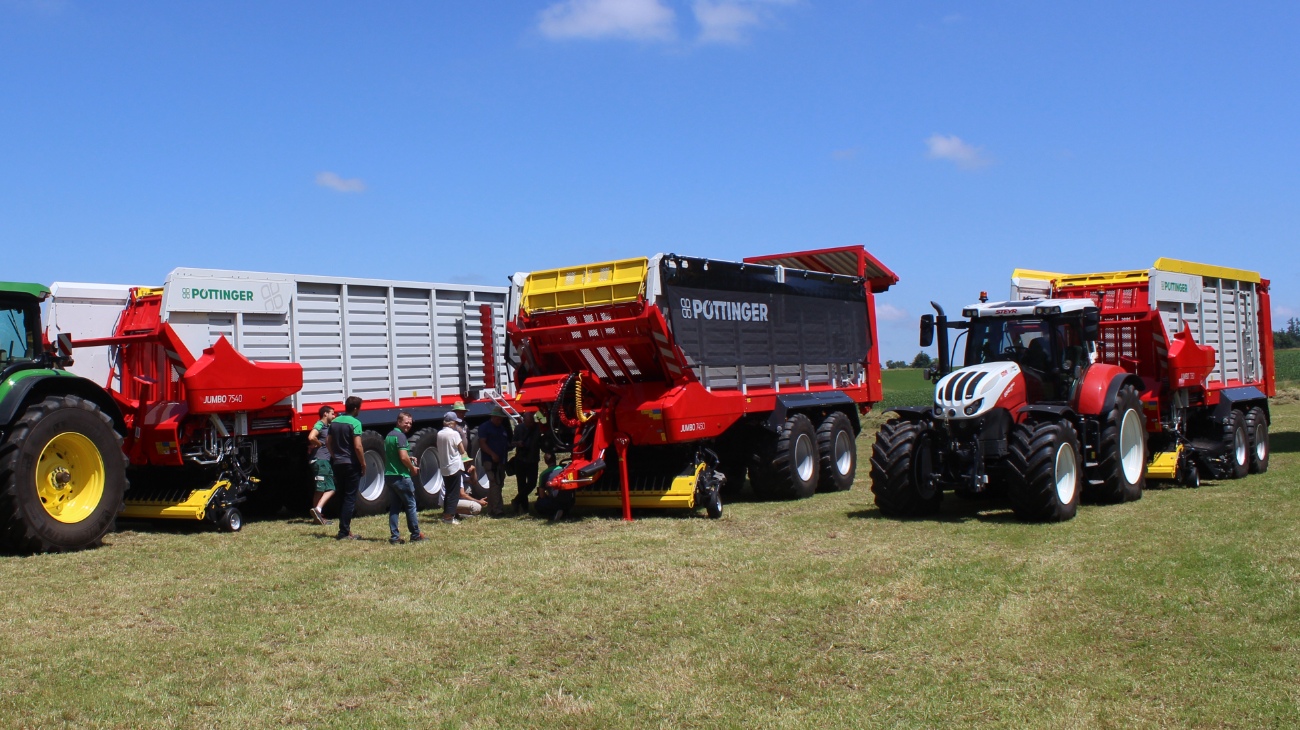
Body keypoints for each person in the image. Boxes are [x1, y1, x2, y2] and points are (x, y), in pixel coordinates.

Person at [325, 396, 365, 540]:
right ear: (355, 409)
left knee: (341, 496)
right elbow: (358, 446)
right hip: (351, 463)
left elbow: (327, 441)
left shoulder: (334, 422)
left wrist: (334, 455)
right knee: (349, 497)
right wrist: (363, 463)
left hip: (338, 463)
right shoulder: (355, 423)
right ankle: (344, 532)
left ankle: (343, 529)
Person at [385, 412, 425, 545]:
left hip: (390, 475)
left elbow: (397, 455)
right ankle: (415, 534)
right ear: (398, 422)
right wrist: (412, 468)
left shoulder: (389, 436)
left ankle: (395, 536)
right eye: (406, 422)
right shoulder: (401, 436)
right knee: (411, 505)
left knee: (395, 507)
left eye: (410, 423)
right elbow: (402, 457)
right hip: (401, 476)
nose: (408, 425)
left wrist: (409, 457)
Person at [476, 406, 514, 517]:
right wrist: (492, 454)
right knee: (495, 483)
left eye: (501, 419)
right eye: (498, 418)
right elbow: (482, 443)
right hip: (490, 461)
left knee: (498, 484)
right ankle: (498, 510)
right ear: (493, 417)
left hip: (501, 460)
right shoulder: (485, 427)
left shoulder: (502, 428)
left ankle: (491, 509)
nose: (500, 421)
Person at [436, 411, 471, 525]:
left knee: (448, 491)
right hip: (454, 466)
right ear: (451, 423)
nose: (456, 424)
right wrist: (466, 459)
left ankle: (446, 514)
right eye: (455, 422)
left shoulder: (439, 433)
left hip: (444, 466)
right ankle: (449, 517)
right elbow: (461, 449)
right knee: (454, 493)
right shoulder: (454, 434)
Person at [307, 405, 337, 525]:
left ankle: (317, 518)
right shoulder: (320, 424)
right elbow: (311, 436)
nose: (333, 416)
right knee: (331, 488)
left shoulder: (328, 426)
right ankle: (318, 509)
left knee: (320, 489)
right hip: (321, 461)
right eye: (332, 413)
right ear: (325, 414)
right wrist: (319, 443)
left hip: (319, 461)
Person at [511, 411, 541, 514]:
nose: (530, 425)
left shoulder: (537, 428)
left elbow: (544, 419)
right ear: (524, 421)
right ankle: (524, 507)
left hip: (533, 459)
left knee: (532, 483)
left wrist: (539, 414)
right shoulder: (519, 428)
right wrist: (518, 443)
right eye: (528, 422)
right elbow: (512, 442)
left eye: (532, 422)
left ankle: (516, 500)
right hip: (521, 459)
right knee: (521, 485)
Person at [533, 453, 574, 521]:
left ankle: (553, 514)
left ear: (545, 462)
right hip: (570, 501)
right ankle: (565, 512)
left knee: (539, 503)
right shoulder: (565, 470)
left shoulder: (543, 474)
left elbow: (542, 495)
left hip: (556, 502)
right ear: (555, 460)